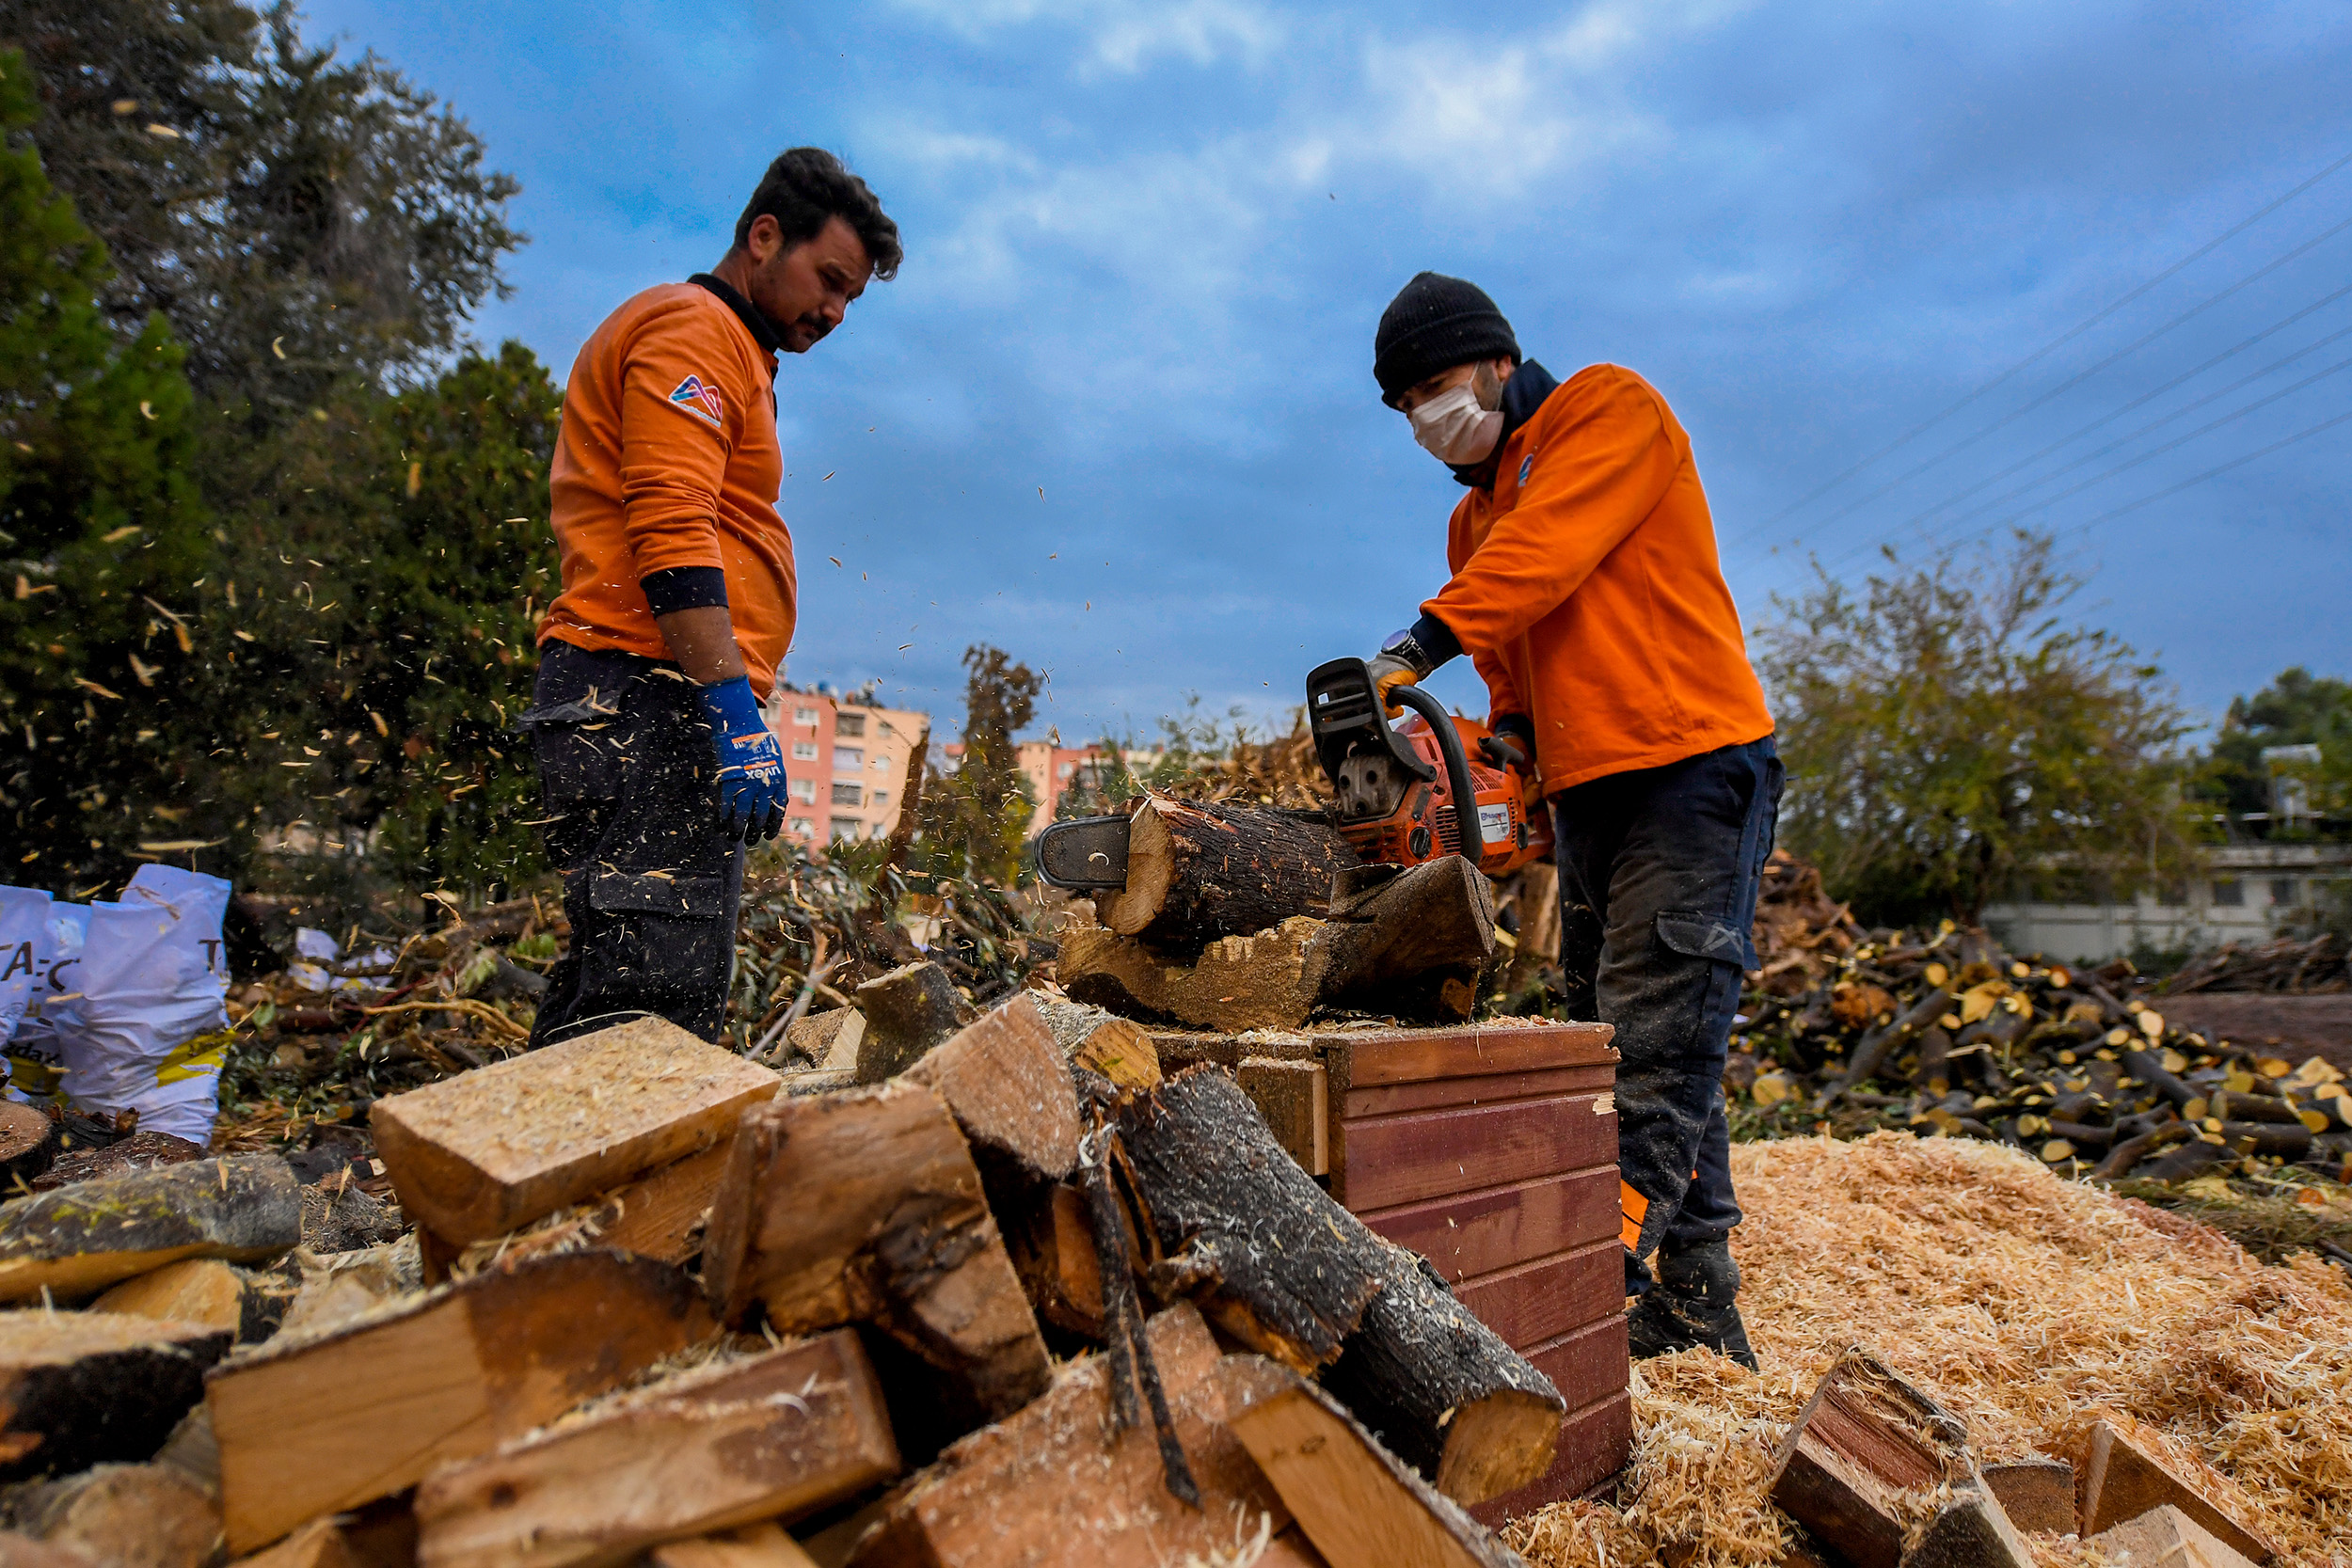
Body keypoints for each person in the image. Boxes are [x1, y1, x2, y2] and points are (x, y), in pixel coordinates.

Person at [1360, 272, 1780, 1367]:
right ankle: (1696, 1306)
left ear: (1499, 362)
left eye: (1437, 385)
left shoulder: (1605, 409)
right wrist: (1500, 757)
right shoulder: (1470, 520)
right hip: (1588, 790)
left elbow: (1542, 556)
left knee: (1652, 1045)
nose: (1424, 415)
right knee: (1627, 1043)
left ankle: (1582, 1295)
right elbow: (1511, 673)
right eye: (1403, 403)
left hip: (1690, 765)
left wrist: (1410, 651)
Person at [524, 149, 901, 1048]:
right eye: (829, 281)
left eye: (852, 298)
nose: (835, 312)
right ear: (764, 237)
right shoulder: (694, 332)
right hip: (646, 696)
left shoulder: (737, 350)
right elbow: (669, 525)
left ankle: (528, 1178)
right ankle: (609, 1186)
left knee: (613, 980)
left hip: (644, 695)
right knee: (650, 1010)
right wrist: (730, 708)